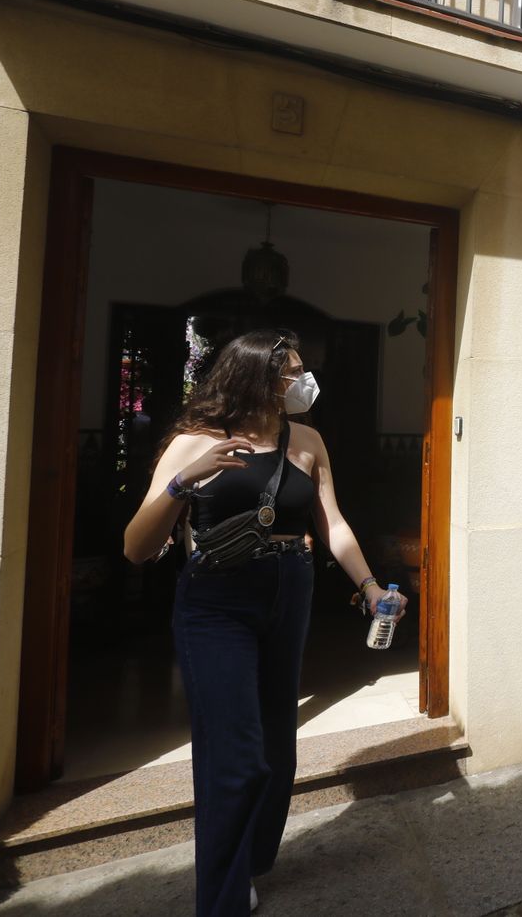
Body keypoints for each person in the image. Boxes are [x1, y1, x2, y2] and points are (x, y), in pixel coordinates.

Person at [122, 330, 405, 917]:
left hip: (290, 588)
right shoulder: (193, 443)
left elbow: (333, 523)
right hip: (216, 600)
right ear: (255, 377)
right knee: (236, 755)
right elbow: (135, 547)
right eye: (291, 371)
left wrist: (371, 586)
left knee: (276, 746)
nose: (303, 381)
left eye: (303, 368)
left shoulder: (307, 440)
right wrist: (184, 480)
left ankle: (247, 861)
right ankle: (221, 901)